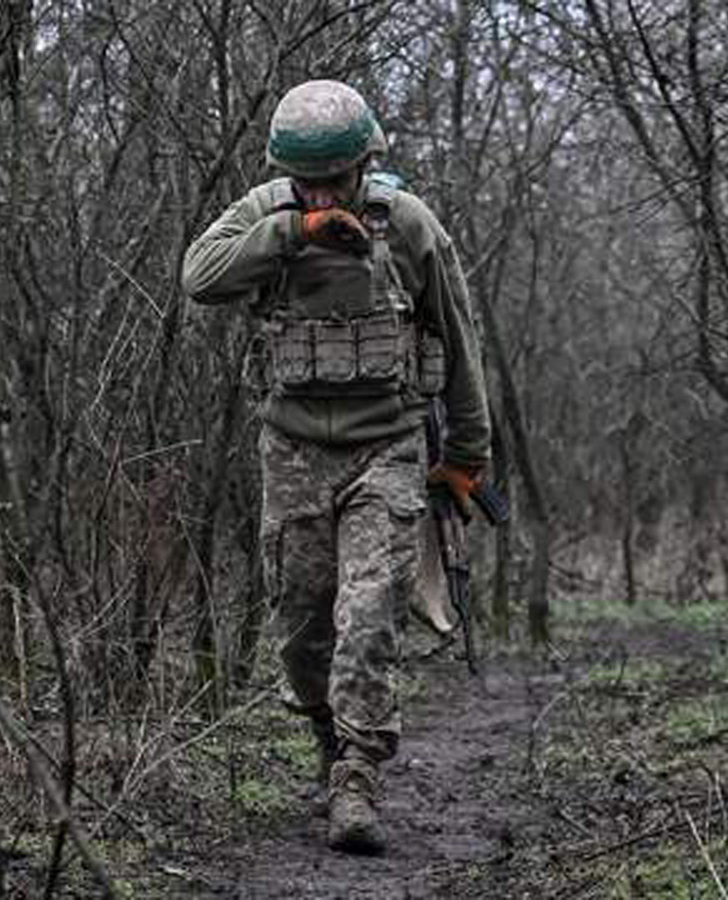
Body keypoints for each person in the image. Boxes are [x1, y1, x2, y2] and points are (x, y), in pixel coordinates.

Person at [182, 80, 491, 855]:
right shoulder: (264, 213)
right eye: (307, 180)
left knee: (367, 613)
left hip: (386, 445)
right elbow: (200, 277)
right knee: (303, 623)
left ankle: (357, 774)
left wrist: (465, 456)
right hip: (291, 452)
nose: (323, 192)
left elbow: (458, 340)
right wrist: (293, 230)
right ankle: (327, 739)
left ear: (364, 164)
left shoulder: (408, 224)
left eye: (334, 179)